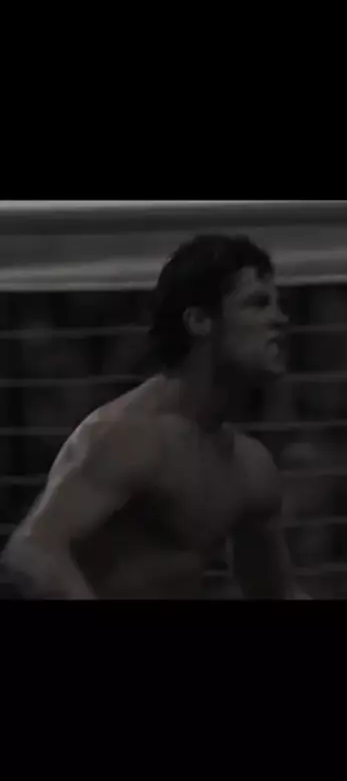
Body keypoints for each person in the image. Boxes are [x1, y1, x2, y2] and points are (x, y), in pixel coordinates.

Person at [1, 235, 309, 600]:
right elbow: (31, 552)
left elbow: (277, 593)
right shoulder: (127, 435)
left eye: (278, 305)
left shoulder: (250, 467)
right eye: (257, 304)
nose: (280, 319)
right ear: (199, 321)